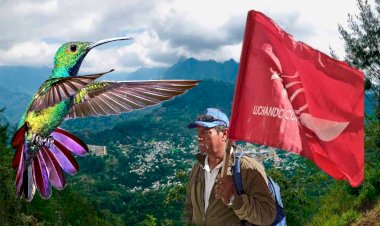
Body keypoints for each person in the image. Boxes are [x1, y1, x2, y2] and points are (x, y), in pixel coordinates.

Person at [184, 108, 276, 225]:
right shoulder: (197, 169)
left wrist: (233, 199)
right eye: (198, 132)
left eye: (206, 132)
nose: (199, 137)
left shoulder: (247, 168)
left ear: (225, 134)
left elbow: (267, 215)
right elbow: (190, 208)